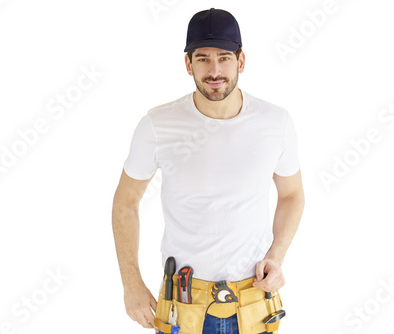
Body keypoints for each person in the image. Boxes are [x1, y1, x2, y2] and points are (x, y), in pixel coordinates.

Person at [112, 8, 305, 334]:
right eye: (202, 59)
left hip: (254, 304)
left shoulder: (275, 122)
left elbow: (292, 193)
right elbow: (125, 203)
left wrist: (277, 256)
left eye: (224, 57)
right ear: (188, 64)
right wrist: (132, 285)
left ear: (241, 61)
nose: (215, 70)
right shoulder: (158, 125)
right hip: (183, 308)